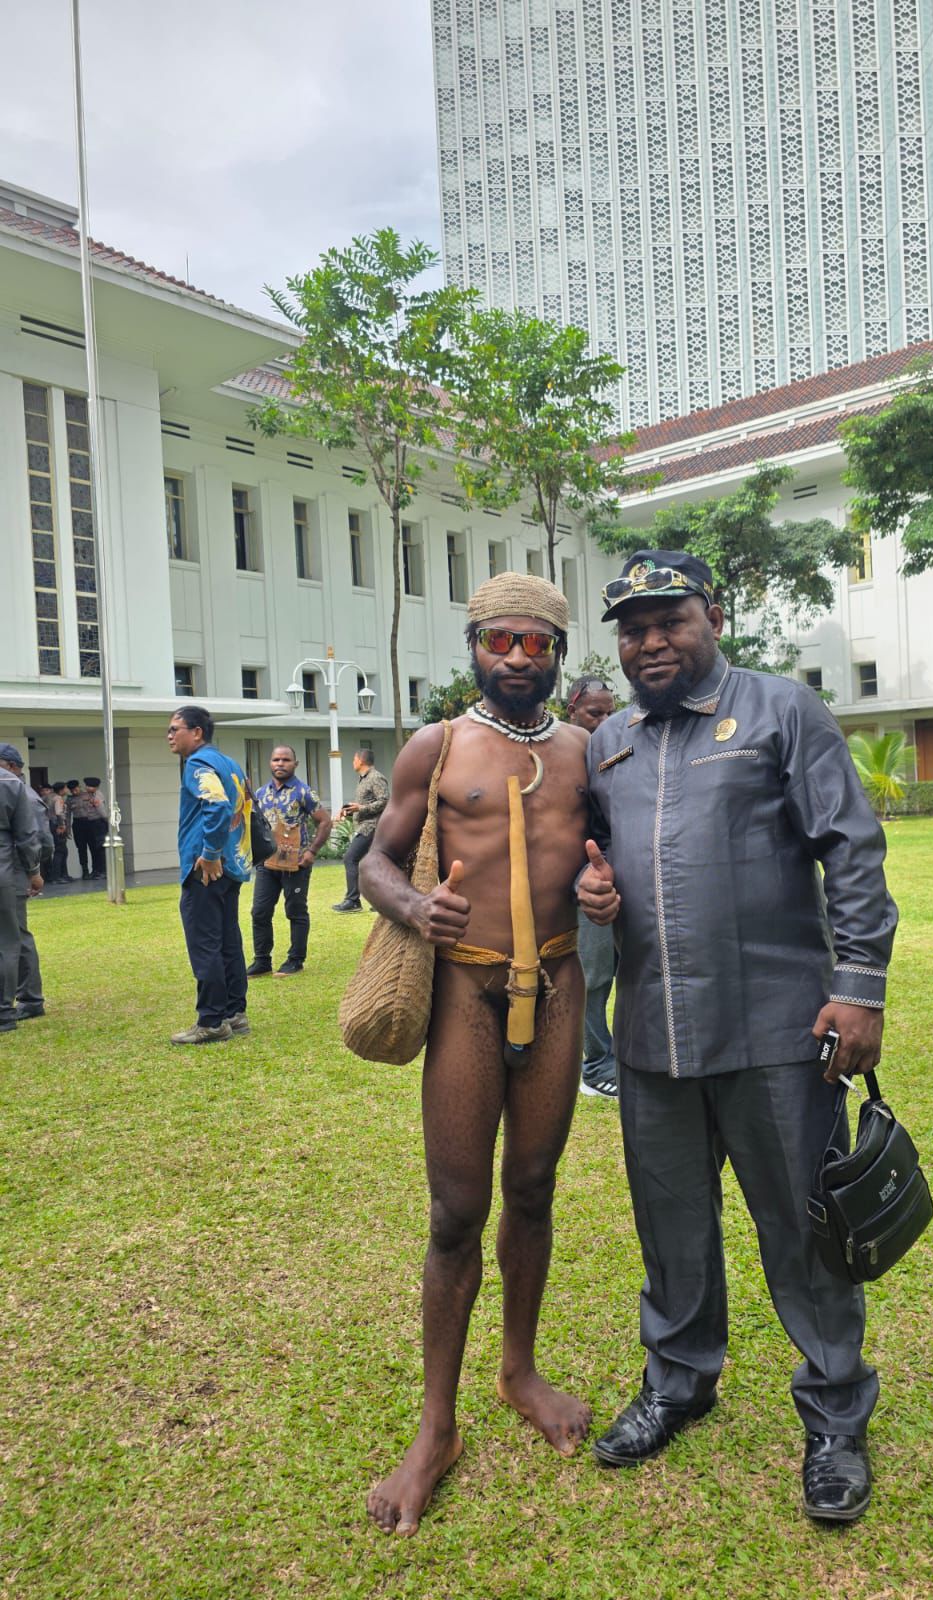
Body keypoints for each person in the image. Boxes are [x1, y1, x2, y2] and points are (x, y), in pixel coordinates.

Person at [578, 550, 898, 1525]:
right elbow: (595, 870)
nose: (650, 640)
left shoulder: (778, 711)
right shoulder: (609, 745)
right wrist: (587, 896)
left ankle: (835, 1415)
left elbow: (850, 846)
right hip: (652, 1035)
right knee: (671, 1229)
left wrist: (860, 987)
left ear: (712, 615)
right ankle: (680, 1381)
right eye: (632, 627)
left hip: (776, 1027)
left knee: (803, 1229)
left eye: (668, 618)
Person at [361, 572, 591, 1538]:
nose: (516, 660)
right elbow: (372, 859)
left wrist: (606, 882)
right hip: (464, 985)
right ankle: (435, 1427)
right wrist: (415, 904)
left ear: (557, 655)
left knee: (533, 1188)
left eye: (536, 645)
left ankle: (519, 1370)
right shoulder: (437, 746)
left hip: (562, 981)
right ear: (473, 647)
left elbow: (607, 854)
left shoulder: (588, 751)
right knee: (457, 1212)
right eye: (501, 641)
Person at [166, 704, 253, 1045]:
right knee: (228, 940)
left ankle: (212, 1021)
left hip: (207, 868)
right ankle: (235, 1013)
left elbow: (215, 805)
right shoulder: (229, 763)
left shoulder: (197, 763)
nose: (169, 735)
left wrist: (209, 854)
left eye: (176, 729)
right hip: (232, 867)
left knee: (205, 944)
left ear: (197, 732)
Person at [565, 677, 619, 1099]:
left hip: (625, 878)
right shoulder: (565, 756)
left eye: (609, 712)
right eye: (594, 713)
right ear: (573, 711)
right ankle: (595, 1065)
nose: (604, 721)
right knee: (594, 975)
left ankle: (621, 1058)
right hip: (585, 881)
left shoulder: (620, 751)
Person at [247, 745, 332, 978]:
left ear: (295, 764)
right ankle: (262, 961)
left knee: (295, 911)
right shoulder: (261, 793)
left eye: (286, 760)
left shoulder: (303, 792)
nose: (280, 764)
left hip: (297, 863)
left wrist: (312, 852)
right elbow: (255, 825)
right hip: (267, 864)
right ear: (270, 763)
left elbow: (325, 822)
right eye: (276, 759)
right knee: (260, 912)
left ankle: (295, 960)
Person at [0, 747, 51, 1028]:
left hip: (14, 868)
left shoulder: (22, 791)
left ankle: (29, 999)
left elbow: (38, 837)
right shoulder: (13, 786)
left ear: (9, 765)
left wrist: (34, 871)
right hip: (12, 868)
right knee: (14, 936)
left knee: (14, 937)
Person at [331, 750, 389, 912]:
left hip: (372, 826)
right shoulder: (363, 779)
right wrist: (348, 810)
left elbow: (384, 801)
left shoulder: (375, 777)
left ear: (361, 761)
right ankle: (381, 903)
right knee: (373, 864)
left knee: (350, 858)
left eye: (354, 759)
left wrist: (361, 807)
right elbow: (364, 804)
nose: (353, 762)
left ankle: (353, 900)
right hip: (364, 825)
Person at [81, 777, 109, 879]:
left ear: (95, 787)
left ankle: (103, 871)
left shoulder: (97, 796)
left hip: (98, 823)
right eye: (86, 785)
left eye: (89, 786)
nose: (86, 787)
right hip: (92, 822)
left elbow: (102, 812)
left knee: (100, 848)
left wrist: (107, 822)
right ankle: (97, 870)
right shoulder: (90, 795)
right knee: (94, 848)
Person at [65, 780, 90, 878]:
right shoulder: (70, 799)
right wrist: (68, 828)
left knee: (93, 847)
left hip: (89, 822)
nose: (74, 792)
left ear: (79, 787)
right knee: (81, 848)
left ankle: (97, 869)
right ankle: (85, 870)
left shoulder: (88, 795)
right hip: (78, 823)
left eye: (75, 789)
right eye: (72, 791)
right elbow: (67, 815)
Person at [46, 783, 70, 883]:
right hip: (57, 825)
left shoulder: (48, 797)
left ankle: (63, 874)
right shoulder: (58, 798)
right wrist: (62, 825)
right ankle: (56, 877)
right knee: (60, 851)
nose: (67, 790)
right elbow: (59, 812)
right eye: (65, 788)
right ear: (61, 790)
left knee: (62, 850)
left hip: (50, 824)